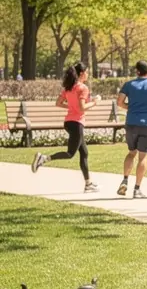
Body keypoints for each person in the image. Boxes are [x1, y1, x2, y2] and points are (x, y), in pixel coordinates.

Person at [31, 61, 98, 191]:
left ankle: (88, 184)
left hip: (69, 122)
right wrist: (95, 102)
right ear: (82, 73)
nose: (88, 74)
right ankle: (43, 158)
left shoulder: (69, 87)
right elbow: (82, 108)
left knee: (84, 153)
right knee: (70, 154)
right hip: (77, 123)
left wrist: (72, 107)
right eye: (87, 72)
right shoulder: (83, 88)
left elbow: (58, 103)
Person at [116, 60, 147, 198]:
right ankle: (137, 189)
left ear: (137, 71)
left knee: (131, 153)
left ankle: (125, 180)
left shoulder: (129, 85)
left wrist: (130, 107)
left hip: (131, 123)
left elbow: (119, 102)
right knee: (143, 157)